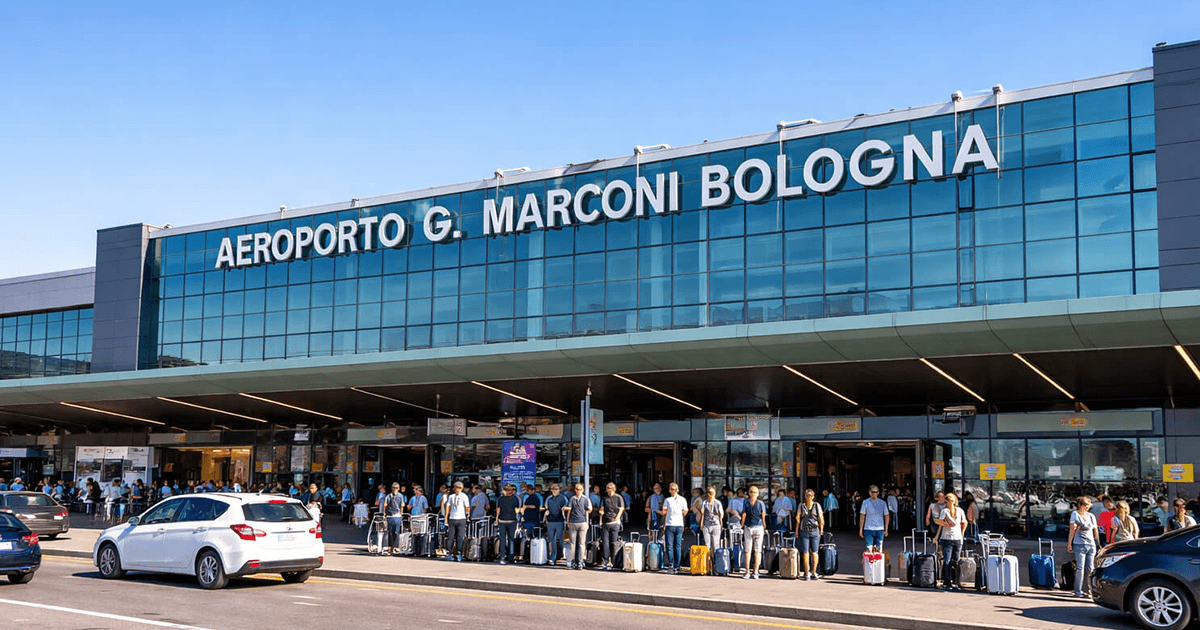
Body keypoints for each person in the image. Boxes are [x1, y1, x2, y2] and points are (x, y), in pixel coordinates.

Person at [1067, 496, 1101, 598]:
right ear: (1081, 505)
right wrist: (1070, 543)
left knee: (1090, 568)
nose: (1088, 507)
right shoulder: (1075, 514)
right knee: (1080, 568)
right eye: (1086, 505)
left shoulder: (1091, 516)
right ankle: (1078, 591)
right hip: (1079, 544)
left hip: (1091, 545)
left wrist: (1098, 543)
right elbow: (1072, 529)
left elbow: (1095, 530)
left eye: (1088, 506)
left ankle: (1089, 590)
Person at [935, 492, 968, 591]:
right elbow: (964, 522)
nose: (950, 503)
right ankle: (952, 582)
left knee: (952, 561)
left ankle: (952, 582)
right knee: (951, 561)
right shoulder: (949, 511)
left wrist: (961, 532)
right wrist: (961, 532)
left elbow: (964, 522)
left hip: (952, 539)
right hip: (951, 539)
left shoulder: (953, 511)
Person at [657, 482, 688, 574]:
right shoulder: (671, 500)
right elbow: (684, 511)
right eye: (671, 489)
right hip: (672, 524)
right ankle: (673, 564)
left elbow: (664, 512)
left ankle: (675, 565)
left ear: (677, 490)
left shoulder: (677, 500)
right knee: (672, 545)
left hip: (676, 524)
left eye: (674, 489)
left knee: (675, 545)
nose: (673, 490)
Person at [795, 488, 824, 580]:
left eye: (810, 495)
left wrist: (796, 531)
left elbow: (798, 519)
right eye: (808, 495)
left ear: (813, 496)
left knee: (808, 552)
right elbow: (821, 518)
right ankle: (812, 572)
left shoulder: (801, 505)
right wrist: (821, 530)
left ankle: (808, 573)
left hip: (806, 530)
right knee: (812, 552)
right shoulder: (816, 505)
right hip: (813, 530)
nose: (809, 497)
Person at [740, 485, 767, 579]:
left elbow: (744, 513)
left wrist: (742, 524)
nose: (753, 494)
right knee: (757, 550)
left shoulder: (746, 502)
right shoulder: (761, 503)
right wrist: (764, 525)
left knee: (748, 550)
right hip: (758, 527)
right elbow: (763, 515)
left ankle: (748, 571)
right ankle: (755, 572)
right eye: (752, 492)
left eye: (753, 492)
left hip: (749, 526)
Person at [442, 481, 471, 562]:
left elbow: (467, 507)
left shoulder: (464, 496)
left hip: (461, 518)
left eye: (458, 488)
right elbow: (448, 506)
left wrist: (467, 515)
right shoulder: (451, 496)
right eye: (455, 488)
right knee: (450, 537)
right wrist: (446, 517)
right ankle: (449, 553)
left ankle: (459, 553)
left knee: (460, 537)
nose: (456, 489)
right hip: (452, 518)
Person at [565, 482, 592, 570]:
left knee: (581, 543)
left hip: (582, 522)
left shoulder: (585, 499)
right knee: (572, 543)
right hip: (573, 522)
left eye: (579, 489)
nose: (578, 491)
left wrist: (586, 513)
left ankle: (580, 561)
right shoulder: (572, 499)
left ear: (582, 490)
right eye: (576, 489)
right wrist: (568, 521)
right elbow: (569, 510)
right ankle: (572, 561)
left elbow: (590, 509)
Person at [599, 482, 625, 570]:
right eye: (607, 488)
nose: (609, 490)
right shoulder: (604, 498)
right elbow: (601, 508)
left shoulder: (618, 497)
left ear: (614, 489)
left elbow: (621, 509)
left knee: (614, 543)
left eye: (610, 488)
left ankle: (614, 561)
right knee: (605, 542)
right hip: (606, 522)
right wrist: (601, 516)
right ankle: (606, 561)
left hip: (614, 523)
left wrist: (616, 518)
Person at [495, 484, 521, 565]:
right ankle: (511, 557)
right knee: (511, 539)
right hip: (512, 520)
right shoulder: (515, 498)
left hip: (502, 520)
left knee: (502, 539)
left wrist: (497, 519)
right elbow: (516, 511)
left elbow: (498, 510)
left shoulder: (500, 499)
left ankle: (502, 557)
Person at [543, 483, 568, 566]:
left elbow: (566, 508)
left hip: (560, 521)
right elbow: (546, 507)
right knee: (552, 540)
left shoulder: (563, 498)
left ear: (559, 490)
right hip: (550, 521)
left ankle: (559, 555)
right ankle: (553, 557)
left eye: (556, 489)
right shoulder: (549, 498)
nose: (554, 490)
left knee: (560, 540)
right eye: (553, 489)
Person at [860, 485, 890, 550]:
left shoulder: (865, 502)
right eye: (873, 492)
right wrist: (886, 529)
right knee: (877, 549)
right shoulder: (882, 503)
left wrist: (861, 529)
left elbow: (862, 515)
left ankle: (871, 559)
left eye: (875, 492)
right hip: (876, 528)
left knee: (870, 549)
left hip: (871, 528)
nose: (874, 494)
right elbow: (886, 516)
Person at [381, 482, 406, 555]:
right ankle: (394, 547)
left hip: (392, 515)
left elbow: (385, 506)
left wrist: (384, 514)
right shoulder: (400, 496)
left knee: (392, 532)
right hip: (395, 515)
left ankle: (392, 546)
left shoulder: (389, 496)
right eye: (394, 488)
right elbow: (402, 505)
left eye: (395, 488)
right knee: (394, 532)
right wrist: (401, 513)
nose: (394, 489)